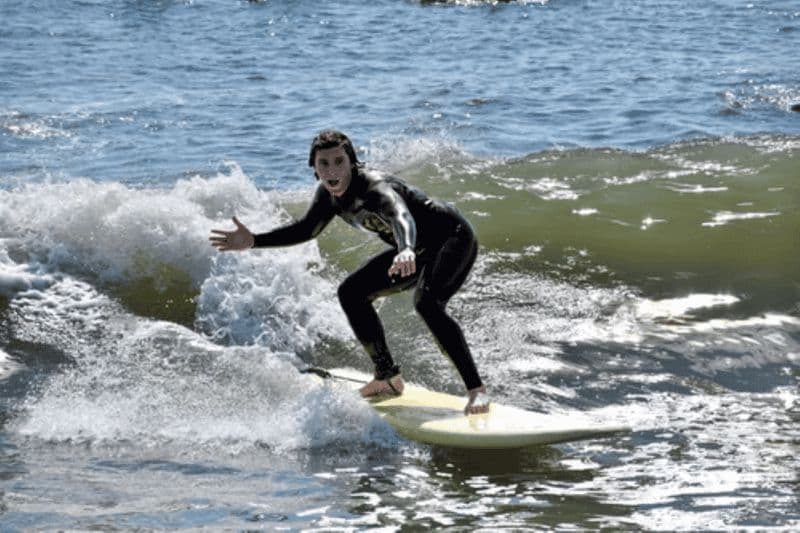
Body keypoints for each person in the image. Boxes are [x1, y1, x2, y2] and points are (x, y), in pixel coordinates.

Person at [210, 130, 489, 415]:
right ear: (314, 167)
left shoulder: (374, 188)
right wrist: (254, 240)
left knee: (427, 303)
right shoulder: (328, 196)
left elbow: (400, 215)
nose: (332, 171)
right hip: (414, 249)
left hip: (451, 236)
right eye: (324, 163)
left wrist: (406, 248)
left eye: (339, 162)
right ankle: (387, 377)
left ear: (352, 162)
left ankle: (476, 391)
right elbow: (306, 229)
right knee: (351, 293)